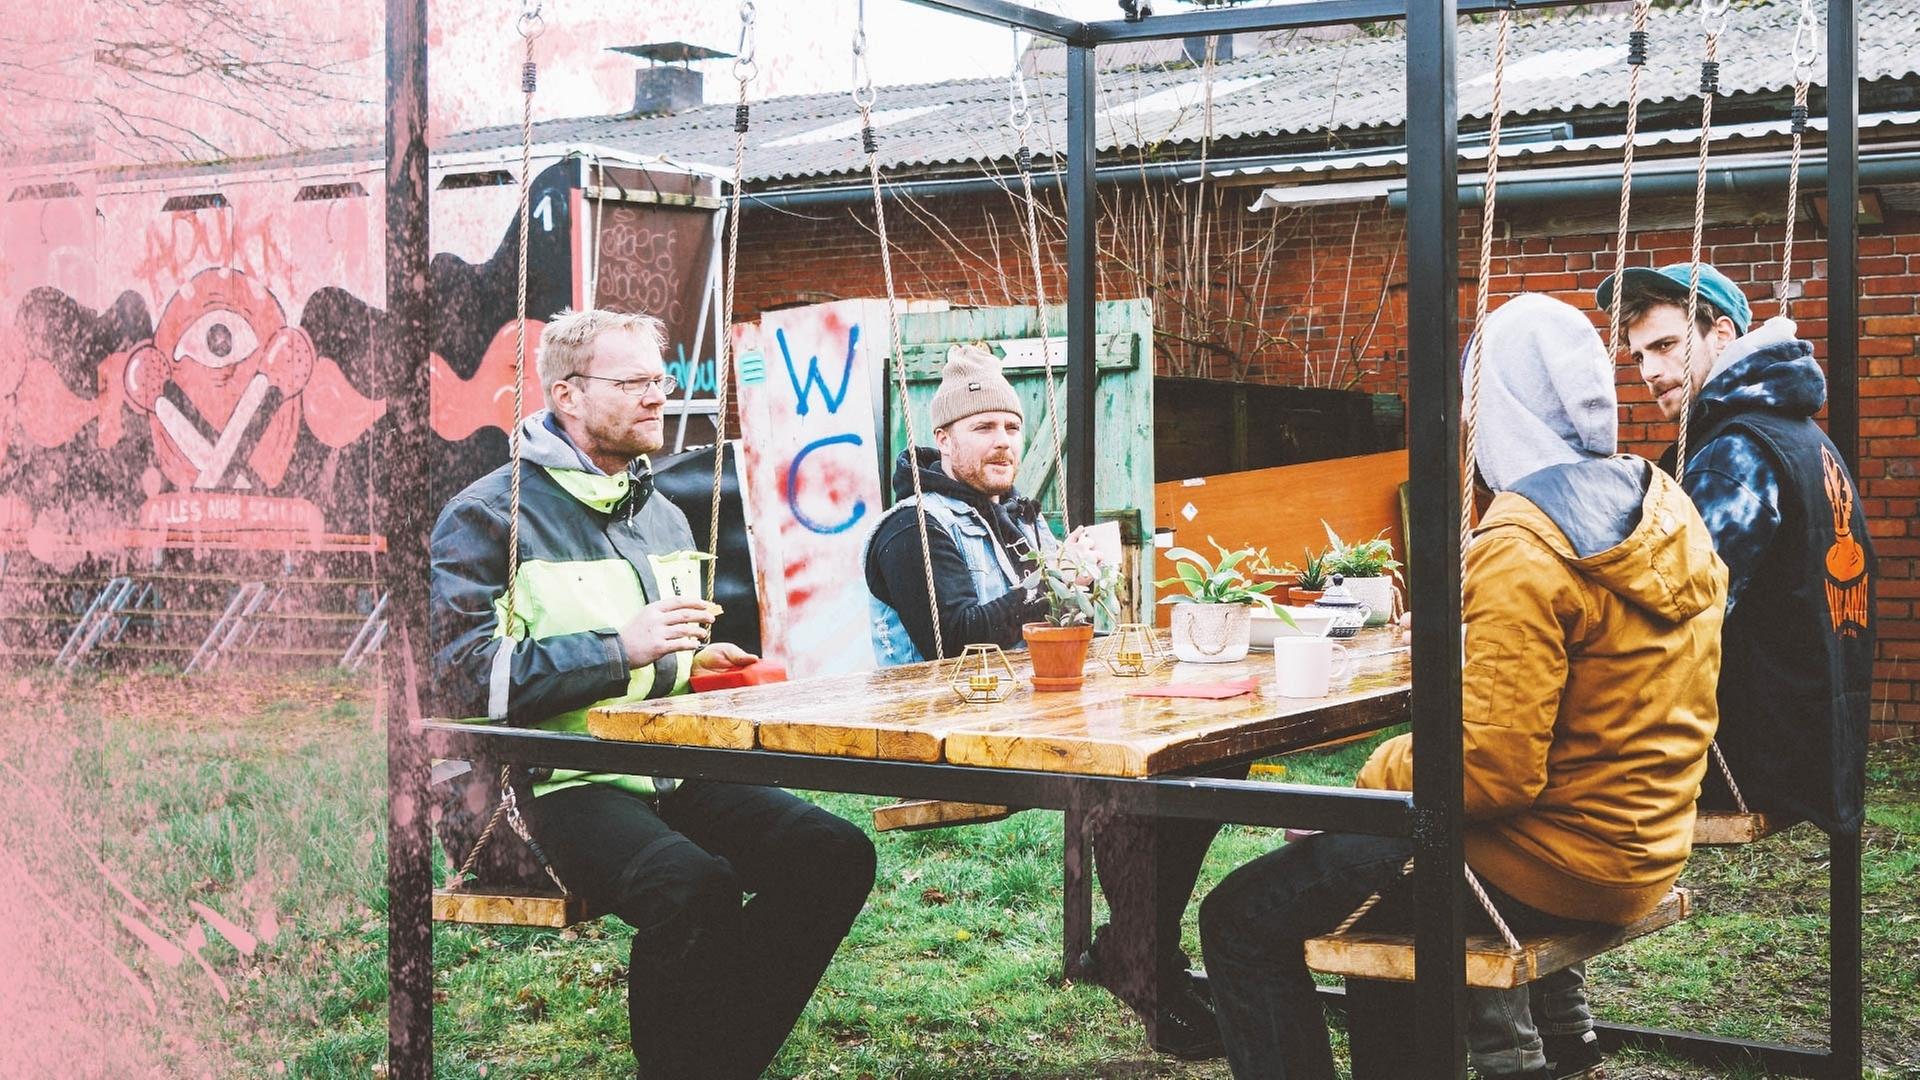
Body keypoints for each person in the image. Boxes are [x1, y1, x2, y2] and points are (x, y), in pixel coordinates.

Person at [1197, 294, 1727, 1080]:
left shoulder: (1523, 543)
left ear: (1498, 406)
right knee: (1364, 872)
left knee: (1238, 918)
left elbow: (1491, 771)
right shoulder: (1663, 506)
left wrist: (1370, 780)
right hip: (1643, 843)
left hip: (1547, 864)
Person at [430, 308, 876, 1080]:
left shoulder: (659, 512)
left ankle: (713, 1064)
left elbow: (651, 655)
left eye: (659, 380)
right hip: (546, 783)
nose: (657, 396)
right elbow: (461, 676)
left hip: (663, 767)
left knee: (833, 854)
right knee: (691, 887)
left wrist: (692, 665)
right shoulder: (487, 517)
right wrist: (619, 649)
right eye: (633, 382)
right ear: (568, 395)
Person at [863, 342, 1229, 1059]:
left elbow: (1067, 626)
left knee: (1210, 757)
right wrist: (1054, 578)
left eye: (1011, 426)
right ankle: (1146, 968)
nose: (1003, 441)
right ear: (944, 440)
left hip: (1040, 716)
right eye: (983, 428)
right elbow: (954, 639)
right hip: (947, 734)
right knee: (1129, 785)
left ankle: (1138, 949)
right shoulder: (914, 526)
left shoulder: (1019, 518)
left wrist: (1088, 585)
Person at [1601, 262, 1877, 835]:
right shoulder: (1800, 433)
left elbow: (1673, 610)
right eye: (1638, 356)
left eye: (1666, 346)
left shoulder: (1736, 453)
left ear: (1721, 333)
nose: (1650, 372)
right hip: (1822, 741)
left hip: (1752, 757)